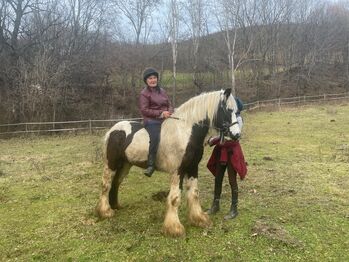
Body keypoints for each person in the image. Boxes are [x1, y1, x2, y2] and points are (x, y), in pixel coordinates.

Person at [206, 97, 247, 219]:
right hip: (221, 150)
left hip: (231, 151)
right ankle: (215, 205)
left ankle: (234, 209)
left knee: (232, 180)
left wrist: (215, 139)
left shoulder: (238, 119)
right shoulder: (226, 117)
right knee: (218, 178)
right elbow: (220, 133)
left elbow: (235, 136)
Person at [139, 68, 173, 177]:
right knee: (155, 138)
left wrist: (170, 112)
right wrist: (161, 113)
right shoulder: (144, 93)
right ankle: (151, 165)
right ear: (146, 80)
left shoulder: (162, 91)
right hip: (151, 121)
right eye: (150, 78)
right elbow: (144, 110)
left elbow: (169, 104)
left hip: (166, 119)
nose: (153, 80)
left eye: (154, 78)